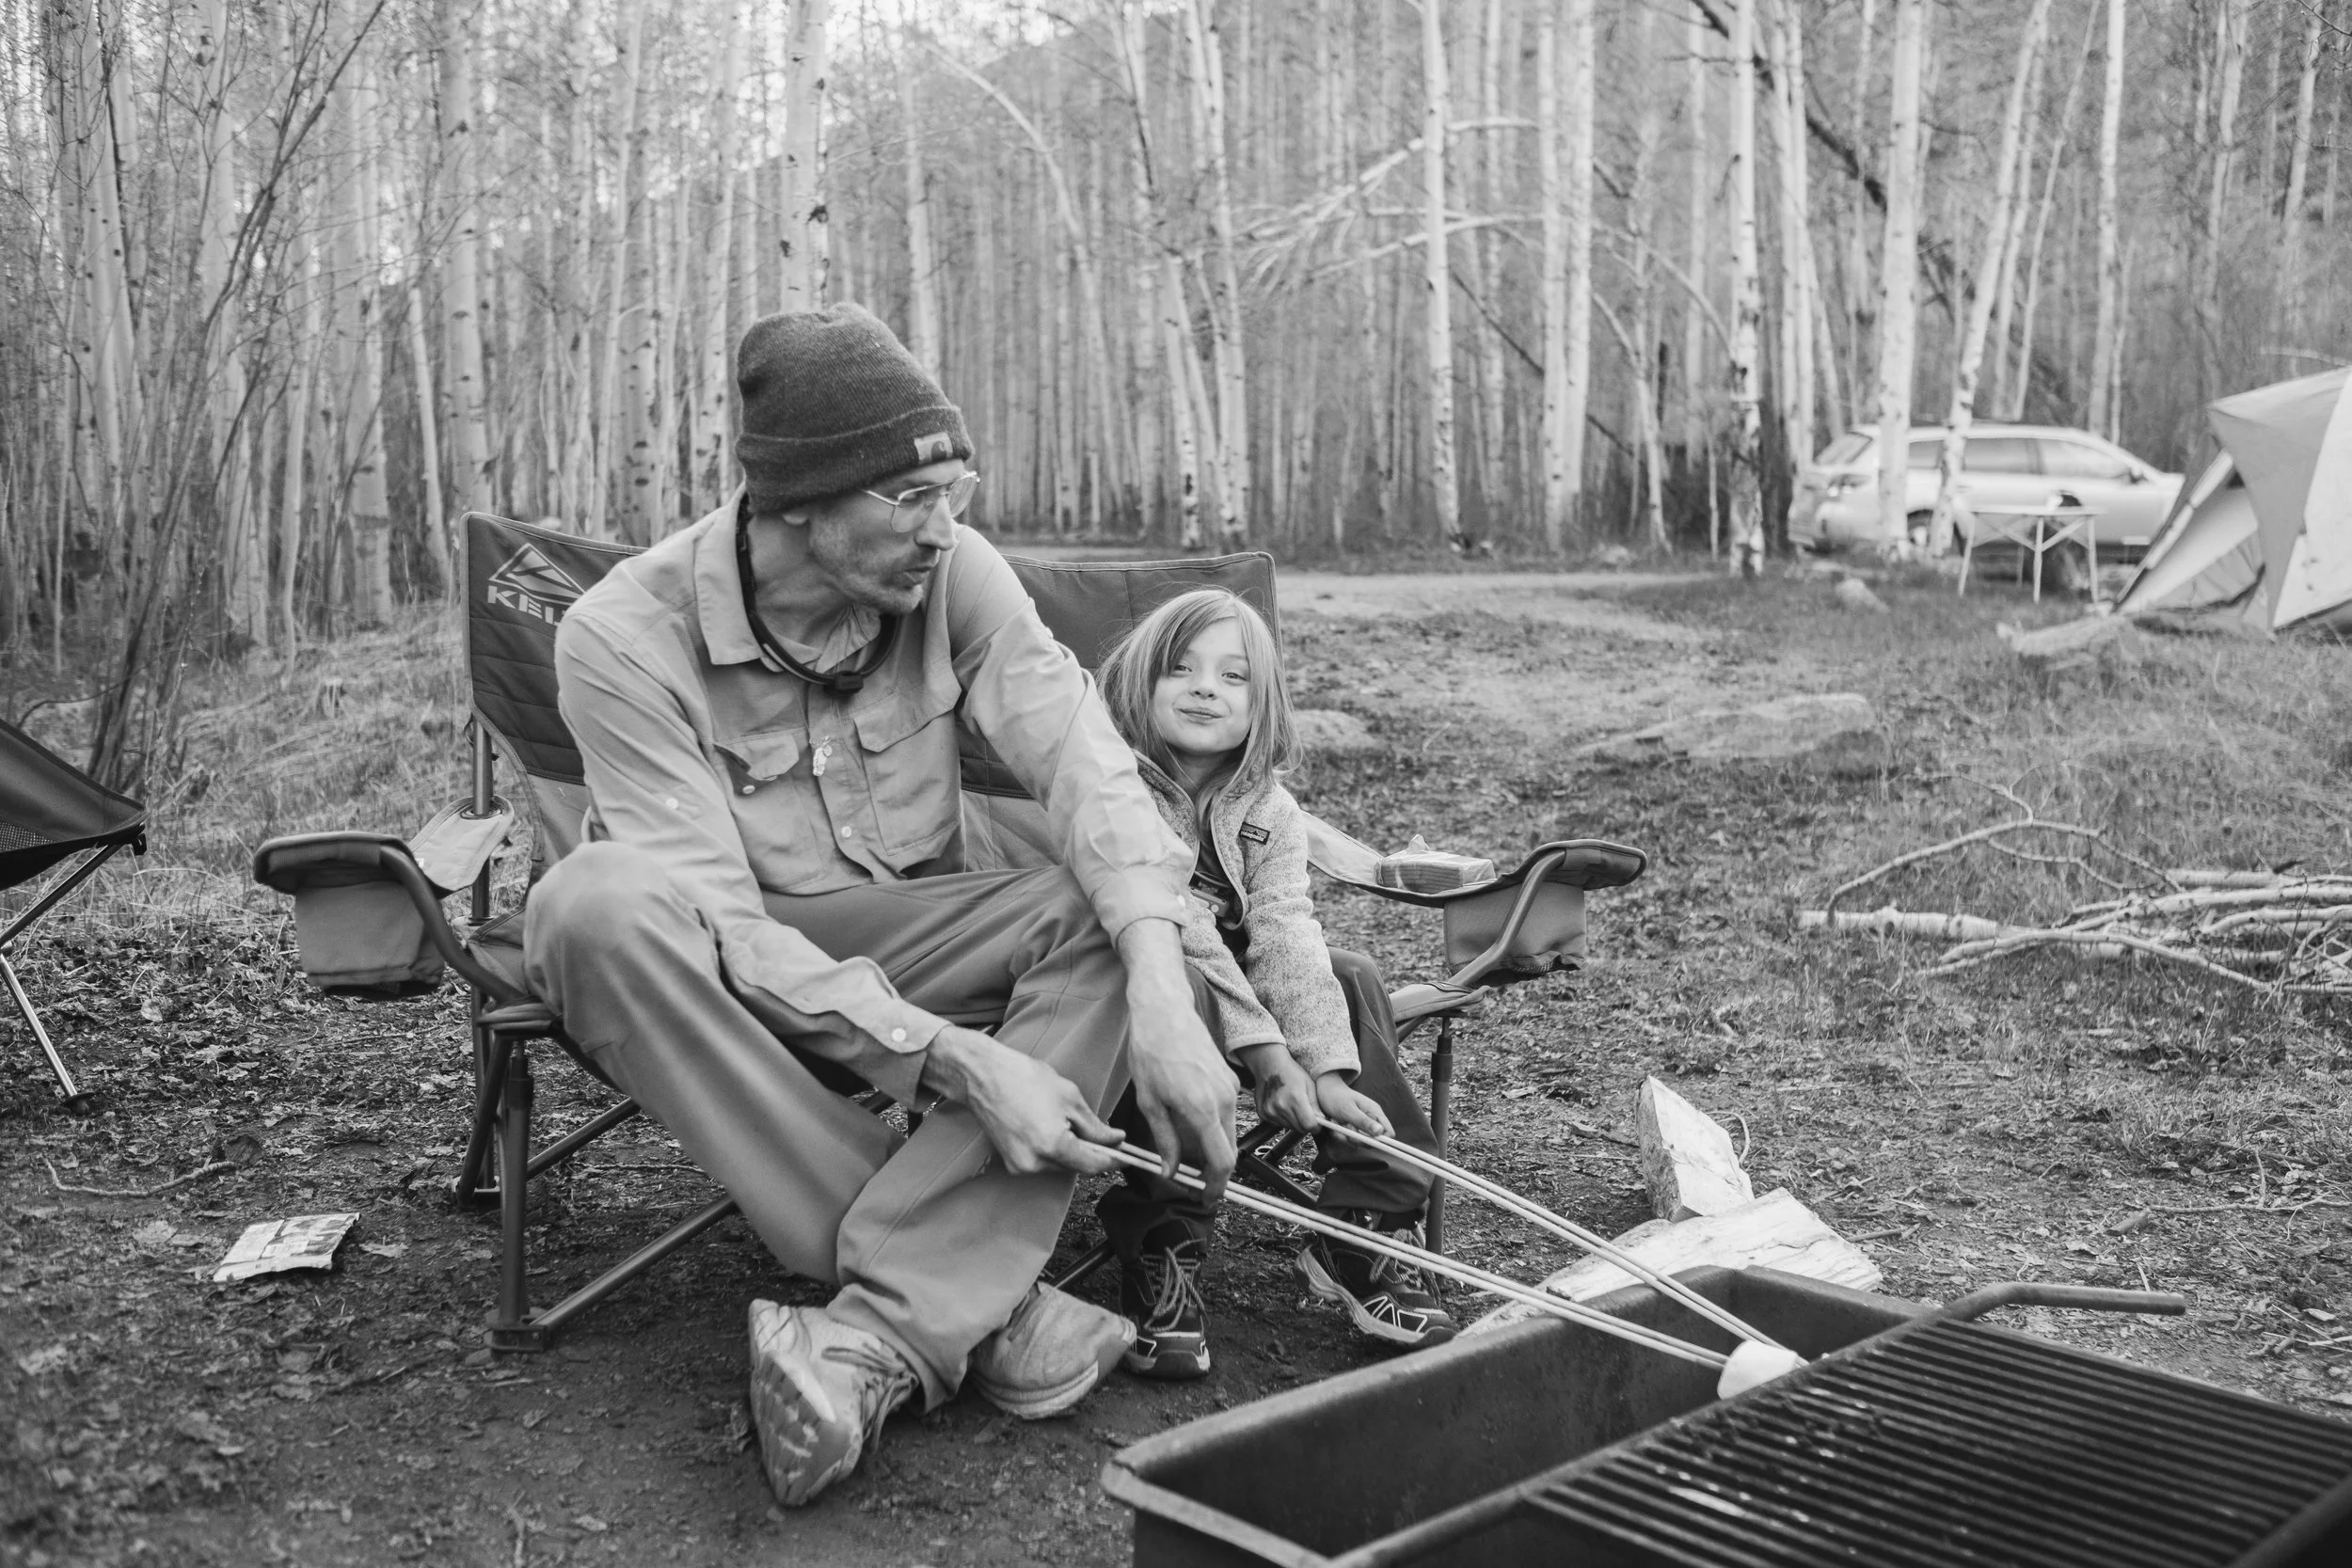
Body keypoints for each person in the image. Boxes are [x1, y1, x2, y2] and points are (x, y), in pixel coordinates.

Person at [522, 304, 1239, 1507]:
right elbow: (728, 929)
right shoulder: (622, 636)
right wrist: (959, 1064)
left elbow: (1087, 767)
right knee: (590, 902)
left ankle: (870, 1338)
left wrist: (1165, 991)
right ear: (800, 500)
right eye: (911, 499)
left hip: (905, 923)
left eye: (954, 490)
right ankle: (970, 1300)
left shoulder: (951, 570)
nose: (943, 527)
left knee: (1116, 913)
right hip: (724, 957)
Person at [1089, 589, 1459, 1378]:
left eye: (1233, 677)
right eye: (1180, 669)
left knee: (1350, 975)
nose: (1203, 688)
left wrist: (1322, 1067)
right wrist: (1267, 1056)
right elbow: (1179, 924)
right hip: (1138, 993)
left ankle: (1362, 1223)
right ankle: (1166, 1246)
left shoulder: (1270, 809)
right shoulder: (1111, 781)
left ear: (1264, 704)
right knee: (1187, 986)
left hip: (1245, 995)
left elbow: (1286, 928)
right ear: (1138, 683)